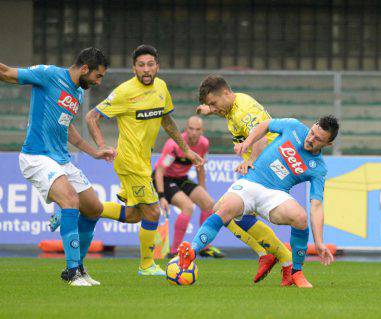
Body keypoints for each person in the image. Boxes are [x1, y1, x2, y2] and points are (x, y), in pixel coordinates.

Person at [0, 28, 115, 286]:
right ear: (85, 68)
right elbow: (5, 73)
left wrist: (95, 152)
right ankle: (72, 272)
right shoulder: (48, 75)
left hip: (61, 159)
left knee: (94, 208)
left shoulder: (78, 93)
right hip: (36, 156)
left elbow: (67, 127)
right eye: (98, 76)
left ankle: (80, 266)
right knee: (69, 199)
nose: (99, 82)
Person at [178, 116, 339, 288]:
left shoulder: (319, 168)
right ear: (312, 125)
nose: (310, 139)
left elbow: (316, 205)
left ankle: (296, 272)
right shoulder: (294, 127)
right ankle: (191, 252)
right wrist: (247, 144)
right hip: (251, 182)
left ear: (327, 144)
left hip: (276, 194)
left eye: (318, 139)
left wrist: (319, 242)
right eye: (312, 132)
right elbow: (265, 125)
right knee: (224, 209)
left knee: (300, 217)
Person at [85, 44, 204, 276]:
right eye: (141, 65)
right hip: (129, 162)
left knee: (134, 215)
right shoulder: (124, 92)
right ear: (134, 69)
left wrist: (186, 150)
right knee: (152, 212)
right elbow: (92, 117)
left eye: (150, 64)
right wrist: (101, 146)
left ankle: (83, 207)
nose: (146, 69)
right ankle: (147, 265)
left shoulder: (161, 87)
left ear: (157, 66)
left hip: (143, 161)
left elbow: (166, 120)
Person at [196, 75, 293, 284]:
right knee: (231, 213)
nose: (214, 108)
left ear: (225, 93)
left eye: (213, 103)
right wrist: (209, 109)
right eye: (210, 104)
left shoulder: (244, 110)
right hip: (266, 163)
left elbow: (261, 137)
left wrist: (251, 162)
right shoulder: (231, 106)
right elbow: (224, 109)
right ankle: (278, 259)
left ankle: (280, 257)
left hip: (269, 164)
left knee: (224, 210)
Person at [154, 115, 224, 259]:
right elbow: (160, 172)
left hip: (181, 178)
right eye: (191, 129)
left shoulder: (204, 144)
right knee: (188, 206)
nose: (194, 132)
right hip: (164, 179)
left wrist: (202, 188)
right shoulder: (173, 145)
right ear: (186, 129)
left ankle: (204, 246)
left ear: (202, 131)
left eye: (197, 129)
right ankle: (174, 251)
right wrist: (161, 196)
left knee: (209, 203)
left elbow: (200, 167)